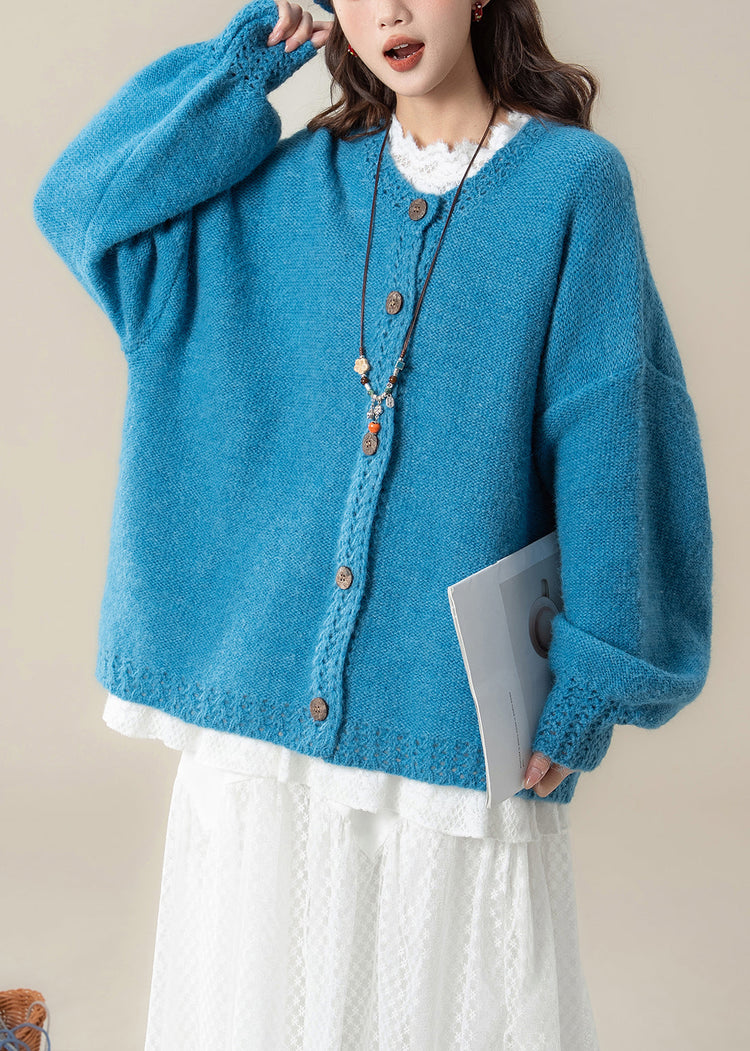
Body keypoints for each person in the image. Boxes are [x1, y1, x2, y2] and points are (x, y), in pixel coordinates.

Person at [32, 0, 713, 1047]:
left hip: (441, 734)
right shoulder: (286, 185)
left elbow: (615, 435)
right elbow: (86, 207)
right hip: (258, 753)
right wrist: (234, 75)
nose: (389, 9)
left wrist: (589, 684)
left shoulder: (573, 188)